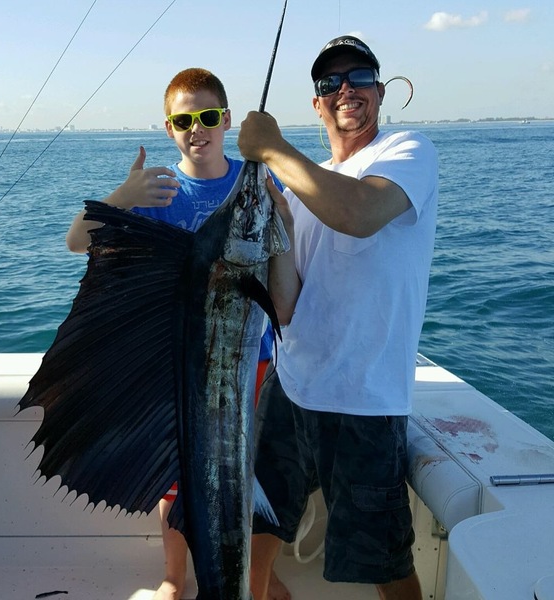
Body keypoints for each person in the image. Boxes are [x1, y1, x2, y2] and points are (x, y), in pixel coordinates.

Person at [66, 68, 297, 600]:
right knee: (178, 477)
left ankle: (259, 574)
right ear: (169, 127)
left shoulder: (262, 186)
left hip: (251, 359)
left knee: (252, 473)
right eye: (185, 120)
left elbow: (283, 292)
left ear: (227, 120)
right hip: (175, 367)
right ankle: (174, 575)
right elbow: (77, 241)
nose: (198, 129)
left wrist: (282, 223)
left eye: (209, 117)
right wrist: (123, 196)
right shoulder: (157, 191)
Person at [237, 35, 439, 600]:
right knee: (261, 517)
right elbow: (287, 306)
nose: (346, 89)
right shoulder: (306, 184)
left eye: (360, 77)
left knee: (383, 559)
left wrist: (272, 148)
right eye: (331, 82)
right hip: (290, 384)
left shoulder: (408, 151)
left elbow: (360, 212)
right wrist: (281, 224)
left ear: (381, 90)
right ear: (317, 103)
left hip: (362, 399)